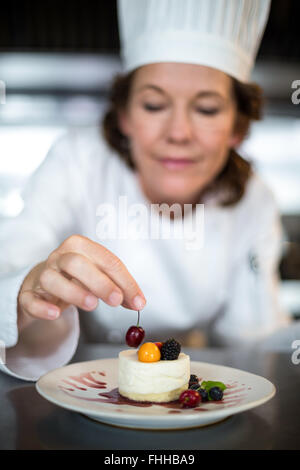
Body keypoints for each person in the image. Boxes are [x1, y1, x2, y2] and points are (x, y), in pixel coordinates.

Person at [0, 0, 291, 381]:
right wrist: (27, 291)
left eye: (206, 109)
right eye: (154, 105)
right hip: (80, 387)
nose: (178, 133)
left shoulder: (254, 200)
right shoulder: (78, 161)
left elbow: (254, 336)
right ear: (124, 117)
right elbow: (14, 264)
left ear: (237, 129)